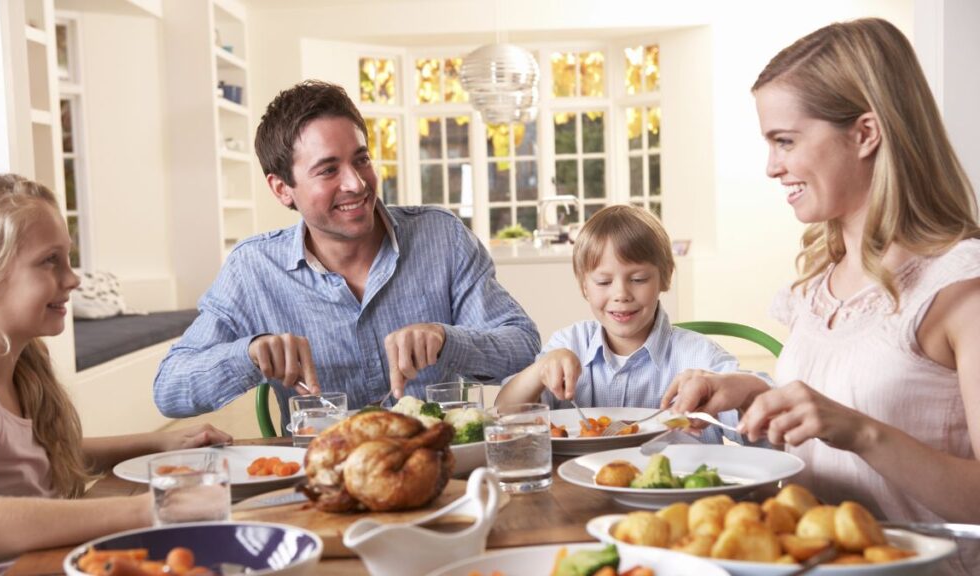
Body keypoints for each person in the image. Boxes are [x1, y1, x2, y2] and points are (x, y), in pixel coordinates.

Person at [664, 18, 980, 574]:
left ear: (865, 133)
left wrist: (859, 431)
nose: (771, 167)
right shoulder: (819, 283)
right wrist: (748, 393)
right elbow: (828, 411)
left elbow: (854, 422)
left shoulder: (960, 285)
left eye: (785, 141)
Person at [154, 80, 540, 423]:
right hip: (328, 480)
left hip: (442, 468)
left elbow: (522, 344)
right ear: (281, 189)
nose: (356, 183)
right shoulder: (253, 268)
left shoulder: (442, 236)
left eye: (361, 160)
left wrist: (446, 339)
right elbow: (170, 389)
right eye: (328, 170)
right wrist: (248, 355)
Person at [0, 174, 232, 572]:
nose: (72, 279)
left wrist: (159, 444)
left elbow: (38, 454)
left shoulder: (20, 368)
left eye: (67, 258)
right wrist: (150, 509)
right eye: (49, 261)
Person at [496, 204, 768, 444]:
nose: (621, 294)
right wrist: (540, 370)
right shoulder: (569, 344)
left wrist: (740, 391)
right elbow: (503, 416)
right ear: (584, 287)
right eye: (603, 282)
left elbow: (765, 433)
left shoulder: (700, 358)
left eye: (638, 279)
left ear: (665, 278)